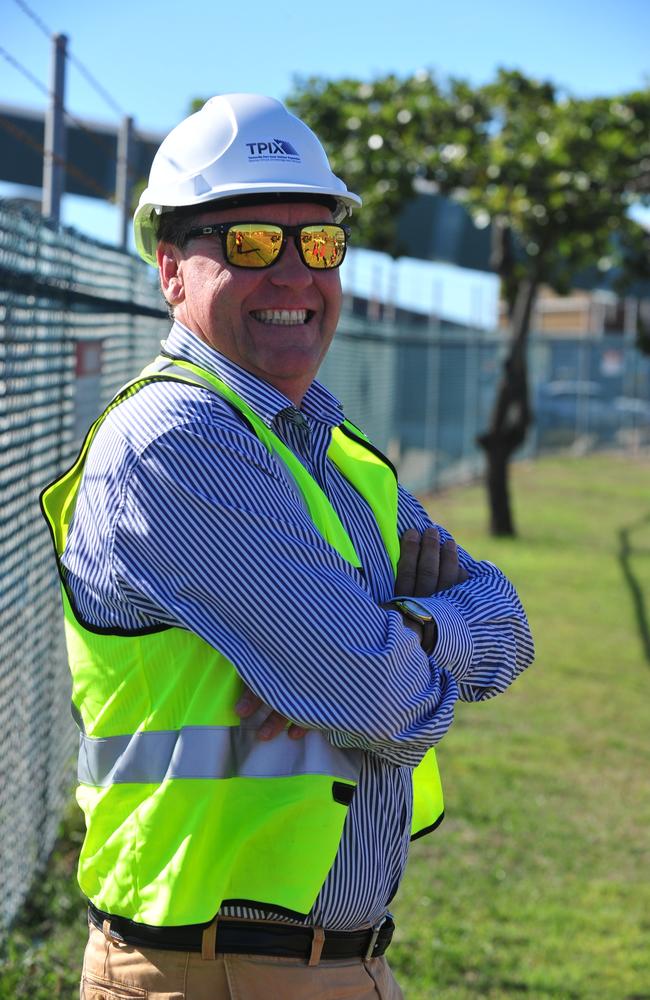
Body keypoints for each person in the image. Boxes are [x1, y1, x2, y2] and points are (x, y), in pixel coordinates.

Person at [41, 93, 534, 999]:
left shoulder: (331, 453)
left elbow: (510, 631)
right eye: (250, 243)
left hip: (345, 962)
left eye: (319, 244)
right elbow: (376, 695)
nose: (295, 276)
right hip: (203, 970)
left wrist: (404, 634)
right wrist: (393, 652)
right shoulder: (177, 444)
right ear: (169, 269)